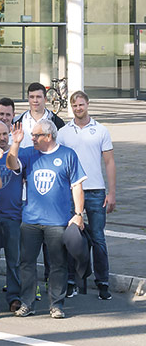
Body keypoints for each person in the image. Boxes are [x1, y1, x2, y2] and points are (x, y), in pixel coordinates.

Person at [5, 120, 86, 319]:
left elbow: (77, 186)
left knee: (58, 264)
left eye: (36, 135)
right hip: (31, 220)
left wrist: (78, 214)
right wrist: (15, 143)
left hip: (57, 221)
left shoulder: (68, 155)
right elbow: (11, 164)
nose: (31, 138)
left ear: (48, 137)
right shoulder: (28, 153)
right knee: (27, 264)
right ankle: (27, 303)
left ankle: (56, 305)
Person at [56, 91, 116, 300]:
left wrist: (112, 192)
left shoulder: (100, 130)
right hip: (71, 192)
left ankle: (102, 282)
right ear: (71, 107)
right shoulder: (63, 132)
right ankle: (72, 280)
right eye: (75, 106)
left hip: (96, 191)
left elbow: (109, 162)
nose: (78, 108)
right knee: (72, 237)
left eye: (81, 105)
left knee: (98, 238)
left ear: (87, 104)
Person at [0, 120, 24, 312]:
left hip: (12, 214)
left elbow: (14, 164)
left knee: (14, 259)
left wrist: (15, 145)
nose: (1, 138)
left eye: (4, 134)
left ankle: (14, 296)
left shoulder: (16, 153)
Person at [13, 82, 66, 147]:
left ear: (45, 99)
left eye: (38, 97)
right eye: (32, 97)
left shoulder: (57, 122)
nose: (35, 100)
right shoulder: (17, 122)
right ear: (28, 99)